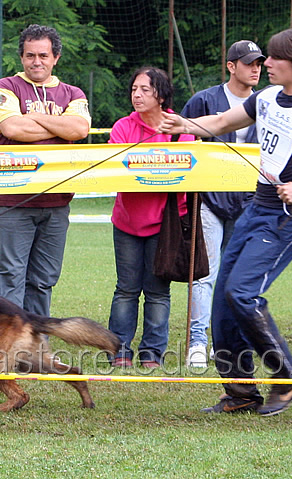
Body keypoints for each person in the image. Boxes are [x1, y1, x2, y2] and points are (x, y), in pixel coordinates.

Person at [158, 28, 292, 415]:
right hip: (257, 209)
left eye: (274, 58)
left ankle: (286, 379)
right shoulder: (267, 97)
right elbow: (221, 121)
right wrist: (184, 126)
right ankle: (240, 392)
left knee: (242, 293)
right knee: (224, 300)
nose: (266, 64)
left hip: (288, 219)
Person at [0, 24, 91, 316]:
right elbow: (11, 127)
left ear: (55, 57)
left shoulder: (73, 93)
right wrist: (57, 129)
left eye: (43, 55)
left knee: (43, 281)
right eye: (30, 55)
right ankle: (7, 344)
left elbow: (79, 128)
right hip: (12, 200)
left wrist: (32, 116)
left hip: (57, 202)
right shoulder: (5, 87)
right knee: (10, 278)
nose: (37, 62)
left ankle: (36, 344)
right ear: (21, 57)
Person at [181, 40, 265, 367]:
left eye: (259, 63)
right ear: (231, 66)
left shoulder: (270, 102)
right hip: (210, 200)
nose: (255, 68)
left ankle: (225, 342)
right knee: (204, 274)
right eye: (248, 63)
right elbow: (183, 144)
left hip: (251, 202)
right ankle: (198, 342)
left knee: (237, 278)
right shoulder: (204, 100)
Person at [107, 66, 194, 368]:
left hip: (166, 225)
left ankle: (152, 354)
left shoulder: (181, 130)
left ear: (161, 94)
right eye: (134, 89)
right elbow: (116, 171)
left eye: (144, 89)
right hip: (127, 222)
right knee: (126, 289)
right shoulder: (122, 127)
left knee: (158, 292)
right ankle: (118, 350)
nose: (137, 95)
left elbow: (186, 175)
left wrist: (148, 172)